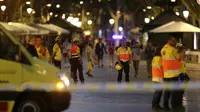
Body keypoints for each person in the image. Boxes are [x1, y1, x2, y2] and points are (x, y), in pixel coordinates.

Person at [161, 37, 182, 111]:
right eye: (173, 41)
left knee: (166, 92)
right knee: (174, 92)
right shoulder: (173, 50)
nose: (174, 42)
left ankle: (165, 107)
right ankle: (174, 107)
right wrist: (179, 49)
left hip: (166, 74)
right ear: (169, 41)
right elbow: (179, 58)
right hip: (173, 74)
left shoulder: (163, 49)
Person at [152, 46, 164, 110]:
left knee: (158, 92)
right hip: (159, 77)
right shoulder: (159, 58)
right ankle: (155, 105)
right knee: (158, 92)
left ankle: (155, 105)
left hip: (155, 76)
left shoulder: (155, 58)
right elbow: (162, 67)